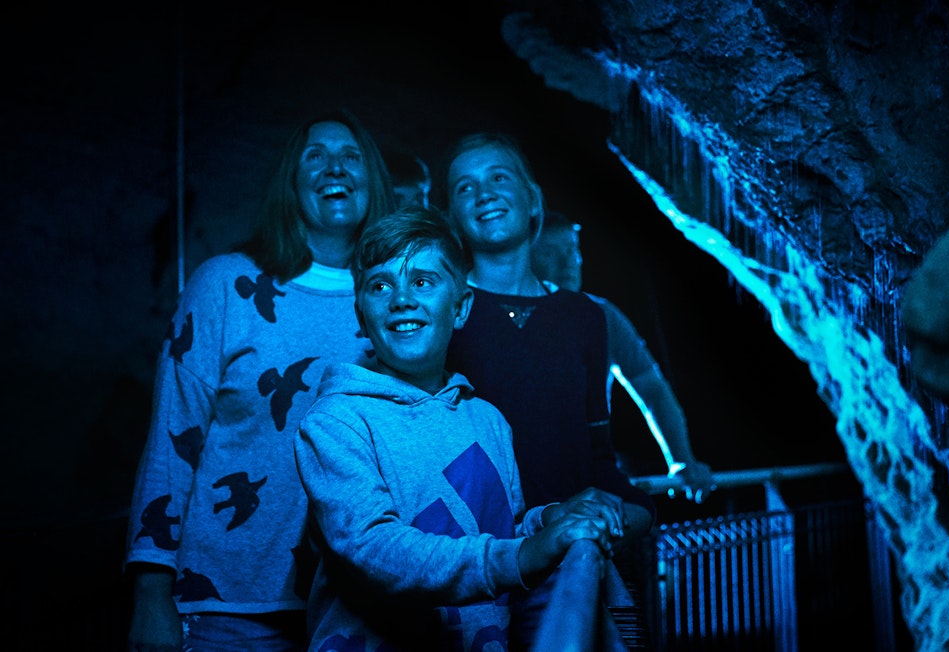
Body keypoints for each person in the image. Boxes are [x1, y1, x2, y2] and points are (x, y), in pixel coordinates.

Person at [124, 108, 395, 652]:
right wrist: (150, 592)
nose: (333, 168)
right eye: (314, 156)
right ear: (291, 182)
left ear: (374, 181)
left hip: (360, 606)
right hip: (226, 606)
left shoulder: (396, 301)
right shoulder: (226, 285)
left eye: (350, 155)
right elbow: (172, 439)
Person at [294, 205, 625, 651]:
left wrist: (548, 518)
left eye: (424, 281)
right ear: (360, 315)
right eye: (380, 285)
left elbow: (500, 529)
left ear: (462, 305)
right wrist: (521, 556)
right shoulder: (335, 423)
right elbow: (373, 547)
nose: (402, 299)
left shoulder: (487, 420)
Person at [442, 131, 657, 649]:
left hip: (572, 559)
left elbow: (597, 454)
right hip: (477, 569)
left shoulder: (583, 317)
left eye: (499, 177)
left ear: (532, 198)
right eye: (465, 187)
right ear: (451, 213)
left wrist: (625, 513)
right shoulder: (442, 312)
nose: (485, 193)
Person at [530, 209, 715, 502]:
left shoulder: (602, 316)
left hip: (591, 481)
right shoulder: (509, 318)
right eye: (551, 252)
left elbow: (652, 389)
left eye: (572, 250)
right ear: (525, 258)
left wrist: (680, 458)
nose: (568, 262)